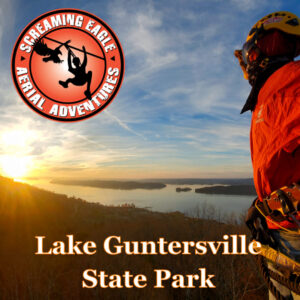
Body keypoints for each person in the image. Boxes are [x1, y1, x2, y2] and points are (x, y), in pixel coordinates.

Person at [234, 11, 300, 299]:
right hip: (280, 230)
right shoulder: (271, 92)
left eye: (251, 52)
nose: (248, 60)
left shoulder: (291, 82)